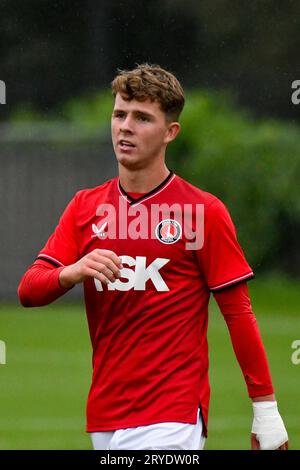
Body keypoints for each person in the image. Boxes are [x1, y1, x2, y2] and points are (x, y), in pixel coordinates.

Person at [18, 63, 288, 451]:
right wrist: (70, 272)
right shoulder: (85, 207)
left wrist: (266, 408)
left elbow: (238, 314)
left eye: (142, 118)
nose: (125, 126)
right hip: (106, 413)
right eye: (119, 114)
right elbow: (28, 290)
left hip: (171, 414)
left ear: (170, 132)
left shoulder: (202, 212)